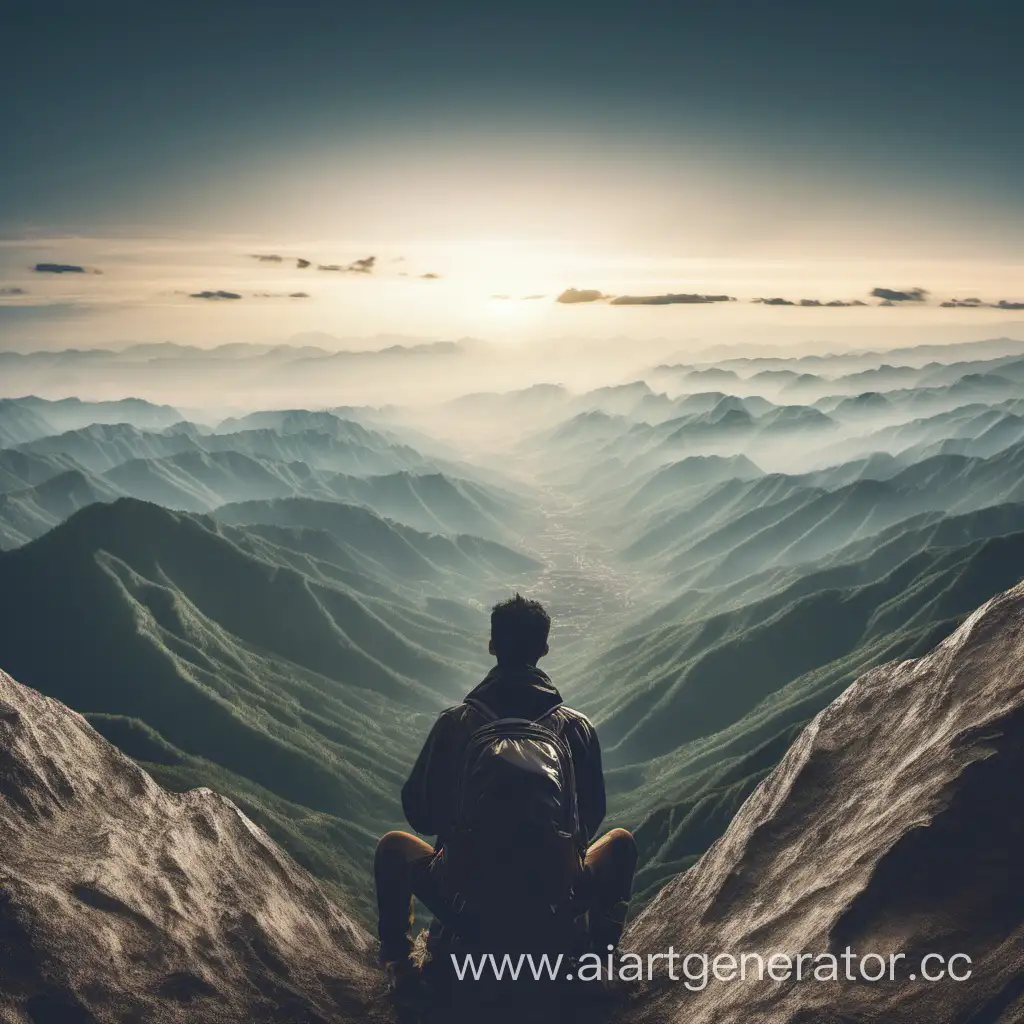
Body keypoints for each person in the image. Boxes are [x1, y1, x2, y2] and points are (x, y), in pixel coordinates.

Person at [374, 593, 638, 1001]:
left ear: (492, 644)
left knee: (392, 848)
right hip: (553, 904)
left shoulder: (455, 725)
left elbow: (420, 815)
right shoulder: (576, 729)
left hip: (466, 904)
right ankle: (601, 955)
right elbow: (590, 818)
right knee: (621, 843)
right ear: (544, 649)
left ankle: (399, 961)